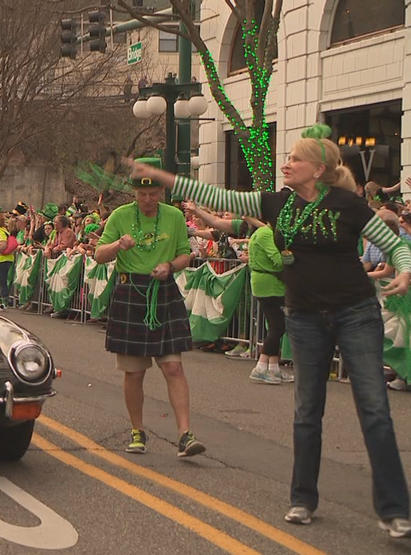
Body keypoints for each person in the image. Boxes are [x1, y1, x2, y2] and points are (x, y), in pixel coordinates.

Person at [128, 123, 411, 536]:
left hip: (355, 313)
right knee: (307, 411)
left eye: (295, 158)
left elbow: (396, 242)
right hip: (306, 317)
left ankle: (394, 509)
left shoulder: (348, 205)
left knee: (374, 411)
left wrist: (405, 268)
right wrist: (167, 178)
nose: (286, 163)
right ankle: (302, 499)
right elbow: (222, 197)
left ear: (318, 169)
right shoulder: (277, 204)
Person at [94, 176, 205, 458]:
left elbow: (185, 255)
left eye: (153, 194)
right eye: (142, 194)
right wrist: (118, 244)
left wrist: (169, 265)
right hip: (131, 291)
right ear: (134, 193)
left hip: (163, 291)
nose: (147, 200)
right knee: (134, 371)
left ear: (161, 192)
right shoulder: (120, 216)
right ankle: (137, 431)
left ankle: (184, 435)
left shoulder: (174, 216)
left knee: (174, 367)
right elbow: (98, 255)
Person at [242, 216, 291, 384]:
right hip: (269, 283)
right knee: (278, 326)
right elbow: (278, 261)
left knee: (275, 325)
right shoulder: (267, 234)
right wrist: (288, 252)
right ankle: (261, 367)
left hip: (266, 282)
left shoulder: (263, 232)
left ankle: (273, 368)